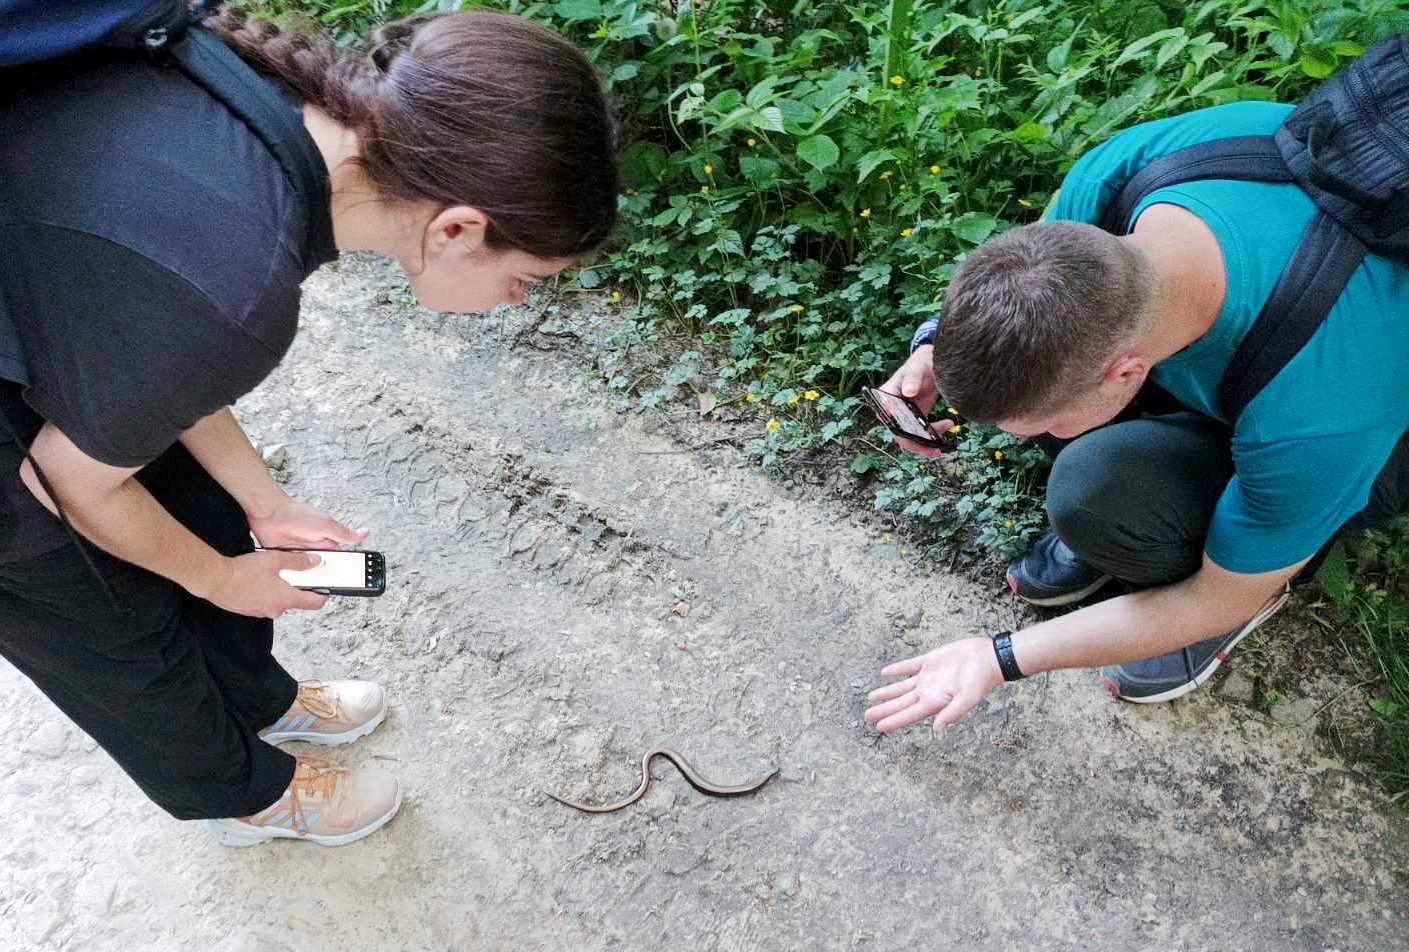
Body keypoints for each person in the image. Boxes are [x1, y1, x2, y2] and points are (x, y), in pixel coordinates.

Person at [0, 7, 617, 845]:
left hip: (36, 313)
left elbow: (152, 341)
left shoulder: (264, 104)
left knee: (199, 517)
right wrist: (223, 580)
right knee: (104, 616)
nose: (521, 300)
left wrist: (264, 504)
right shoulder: (241, 277)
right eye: (530, 278)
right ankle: (239, 795)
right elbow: (68, 480)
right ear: (459, 228)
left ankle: (258, 702)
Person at [864, 100, 1408, 734]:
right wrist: (936, 345)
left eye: (1041, 426)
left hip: (1355, 420)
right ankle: (1142, 503)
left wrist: (999, 657)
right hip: (1259, 360)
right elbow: (1019, 286)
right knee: (1076, 440)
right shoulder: (1123, 178)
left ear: (1126, 373)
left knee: (1097, 491)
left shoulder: (1324, 414)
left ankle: (1265, 559)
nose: (1034, 440)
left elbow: (1214, 598)